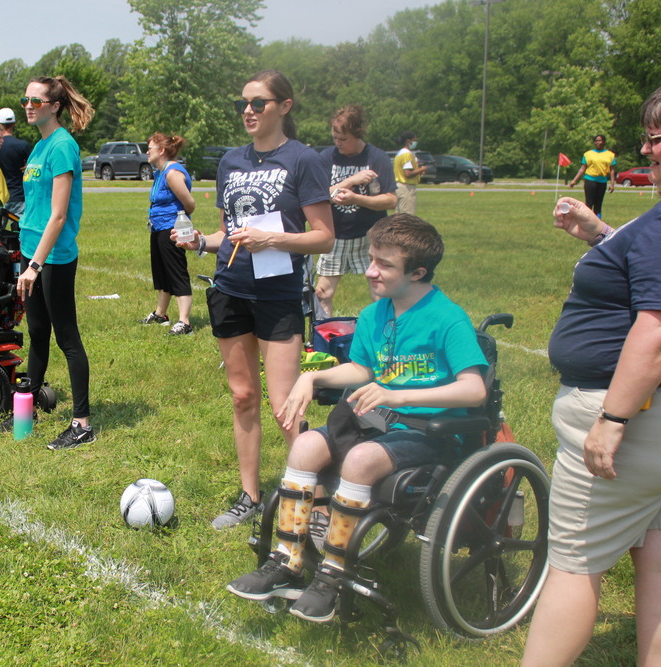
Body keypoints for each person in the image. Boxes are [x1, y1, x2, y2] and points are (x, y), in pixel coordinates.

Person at [226, 213, 488, 623]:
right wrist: (311, 378)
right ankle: (287, 559)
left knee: (360, 460)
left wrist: (396, 393)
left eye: (384, 264)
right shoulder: (374, 315)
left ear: (417, 272)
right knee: (309, 443)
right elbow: (363, 371)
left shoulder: (447, 318)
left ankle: (333, 573)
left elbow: (475, 390)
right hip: (378, 423)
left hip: (430, 432)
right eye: (371, 259)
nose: (369, 271)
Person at [521, 88, 661, 666]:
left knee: (574, 562)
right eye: (650, 135)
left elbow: (653, 333)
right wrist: (602, 233)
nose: (651, 147)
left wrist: (612, 419)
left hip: (625, 420)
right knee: (654, 552)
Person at [177, 70, 334, 528]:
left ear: (284, 106)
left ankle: (316, 505)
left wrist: (273, 240)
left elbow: (324, 237)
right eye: (243, 103)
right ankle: (250, 496)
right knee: (243, 396)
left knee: (285, 404)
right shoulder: (231, 161)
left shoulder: (303, 161)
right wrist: (200, 243)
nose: (248, 110)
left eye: (258, 103)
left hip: (278, 294)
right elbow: (228, 233)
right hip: (230, 289)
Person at [15, 76, 96, 451]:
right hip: (31, 253)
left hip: (52, 258)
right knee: (36, 332)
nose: (28, 105)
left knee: (66, 337)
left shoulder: (62, 146)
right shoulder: (39, 146)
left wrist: (36, 264)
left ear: (54, 106)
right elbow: (35, 205)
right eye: (25, 100)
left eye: (36, 100)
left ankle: (81, 423)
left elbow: (59, 215)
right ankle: (25, 411)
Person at [315, 106, 397, 318]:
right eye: (335, 138)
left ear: (357, 134)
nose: (338, 143)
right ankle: (325, 339)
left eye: (343, 139)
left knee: (381, 292)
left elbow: (390, 200)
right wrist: (351, 181)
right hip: (335, 235)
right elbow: (318, 197)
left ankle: (387, 336)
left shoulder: (377, 157)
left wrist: (355, 198)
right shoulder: (326, 158)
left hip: (370, 235)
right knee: (322, 293)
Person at [141, 132, 195, 335]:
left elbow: (190, 203)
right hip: (158, 227)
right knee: (161, 272)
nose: (147, 151)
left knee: (176, 272)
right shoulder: (160, 173)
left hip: (172, 228)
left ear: (162, 151)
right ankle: (161, 313)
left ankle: (185, 322)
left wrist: (181, 225)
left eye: (151, 148)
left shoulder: (172, 173)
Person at [0, 107, 32, 218]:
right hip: (19, 195)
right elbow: (32, 169)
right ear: (14, 124)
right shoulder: (23, 146)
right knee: (19, 232)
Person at [568, 134, 616, 218]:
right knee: (589, 203)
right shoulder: (588, 154)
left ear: (604, 142)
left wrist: (612, 184)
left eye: (600, 140)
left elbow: (612, 170)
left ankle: (598, 223)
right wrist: (574, 180)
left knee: (598, 204)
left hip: (602, 181)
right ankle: (587, 221)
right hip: (590, 180)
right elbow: (582, 168)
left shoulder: (610, 155)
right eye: (596, 140)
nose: (598, 142)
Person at [392, 132, 426, 215]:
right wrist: (422, 169)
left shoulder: (399, 153)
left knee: (399, 216)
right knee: (407, 216)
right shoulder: (407, 154)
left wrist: (418, 172)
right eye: (414, 140)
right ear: (408, 141)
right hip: (406, 188)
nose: (416, 142)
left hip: (398, 186)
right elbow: (408, 173)